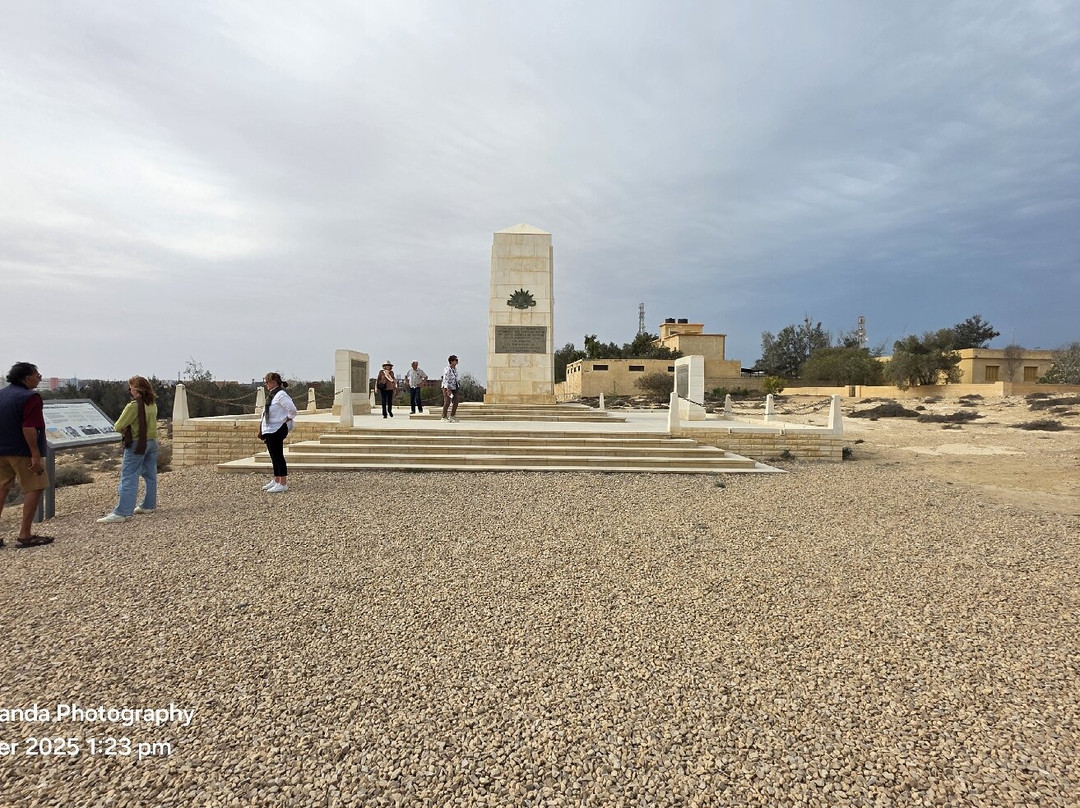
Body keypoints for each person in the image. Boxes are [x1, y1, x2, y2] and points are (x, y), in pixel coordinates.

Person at [0, 362, 54, 547]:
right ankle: (25, 534)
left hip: (1, 450)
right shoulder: (30, 398)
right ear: (27, 377)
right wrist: (35, 455)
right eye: (36, 374)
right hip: (22, 451)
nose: (39, 377)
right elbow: (29, 428)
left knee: (2, 488)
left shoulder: (2, 394)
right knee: (35, 487)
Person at [98, 376, 159, 524]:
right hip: (152, 442)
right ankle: (148, 505)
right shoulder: (152, 404)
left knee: (129, 476)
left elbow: (118, 426)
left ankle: (123, 512)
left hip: (138, 443)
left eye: (130, 388)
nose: (129, 391)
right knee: (150, 475)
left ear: (136, 390)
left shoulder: (133, 406)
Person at [258, 372, 297, 493]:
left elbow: (292, 410)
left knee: (278, 455)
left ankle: (283, 482)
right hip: (270, 429)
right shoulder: (272, 395)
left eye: (267, 382)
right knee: (273, 455)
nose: (266, 385)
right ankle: (276, 479)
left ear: (274, 382)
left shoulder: (280, 395)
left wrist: (287, 418)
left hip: (277, 428)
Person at [441, 355, 460, 423]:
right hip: (447, 387)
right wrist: (447, 389)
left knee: (456, 401)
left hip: (454, 387)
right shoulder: (447, 369)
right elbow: (445, 379)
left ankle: (452, 415)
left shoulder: (455, 370)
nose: (457, 361)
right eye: (456, 360)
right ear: (451, 361)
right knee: (447, 402)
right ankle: (444, 416)